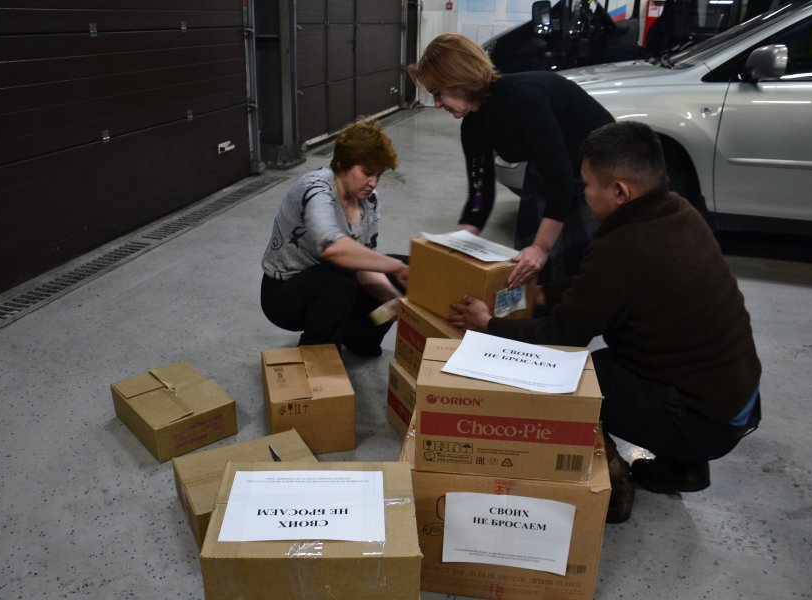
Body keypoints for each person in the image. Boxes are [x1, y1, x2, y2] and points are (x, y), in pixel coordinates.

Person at [449, 121, 762, 523]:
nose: (583, 193)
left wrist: (488, 324)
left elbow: (561, 336)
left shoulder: (624, 247)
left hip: (703, 420)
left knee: (574, 379)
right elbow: (602, 288)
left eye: (587, 185)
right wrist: (541, 294)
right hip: (732, 400)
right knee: (612, 365)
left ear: (620, 192)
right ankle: (684, 467)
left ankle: (613, 491)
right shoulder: (677, 212)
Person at [408, 33, 614, 287]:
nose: (437, 104)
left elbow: (561, 181)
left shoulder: (522, 96)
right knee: (530, 272)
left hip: (599, 172)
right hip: (551, 172)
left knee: (581, 272)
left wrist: (540, 247)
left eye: (438, 93)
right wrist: (458, 240)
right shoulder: (473, 126)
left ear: (459, 78)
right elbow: (479, 195)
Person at [260, 118, 409, 357]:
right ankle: (317, 359)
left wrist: (395, 298)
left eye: (379, 175)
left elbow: (364, 267)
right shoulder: (315, 188)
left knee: (406, 270)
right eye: (367, 173)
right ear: (342, 163)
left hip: (336, 284)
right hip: (285, 294)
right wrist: (395, 267)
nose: (373, 183)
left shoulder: (370, 201)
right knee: (340, 279)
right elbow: (333, 247)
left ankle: (360, 337)